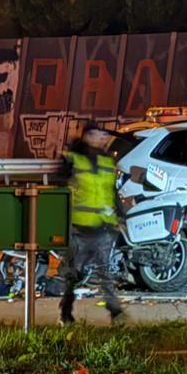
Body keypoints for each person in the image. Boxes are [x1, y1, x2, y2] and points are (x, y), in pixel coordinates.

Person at [61, 125, 126, 325]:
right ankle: (65, 312)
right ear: (88, 136)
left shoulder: (107, 161)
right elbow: (61, 183)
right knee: (74, 274)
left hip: (104, 227)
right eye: (99, 135)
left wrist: (121, 216)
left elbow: (111, 191)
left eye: (104, 136)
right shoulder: (74, 159)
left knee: (105, 272)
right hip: (80, 226)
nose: (103, 139)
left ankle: (115, 312)